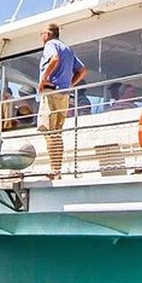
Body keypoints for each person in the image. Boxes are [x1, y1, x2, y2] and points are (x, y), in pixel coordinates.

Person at [38, 23, 88, 179]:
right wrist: (70, 84)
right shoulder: (68, 49)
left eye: (42, 34)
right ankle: (56, 169)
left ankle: (54, 170)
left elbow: (54, 59)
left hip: (51, 92)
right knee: (57, 133)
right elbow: (82, 70)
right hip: (64, 94)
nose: (41, 37)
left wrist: (44, 78)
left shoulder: (50, 45)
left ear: (48, 34)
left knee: (49, 131)